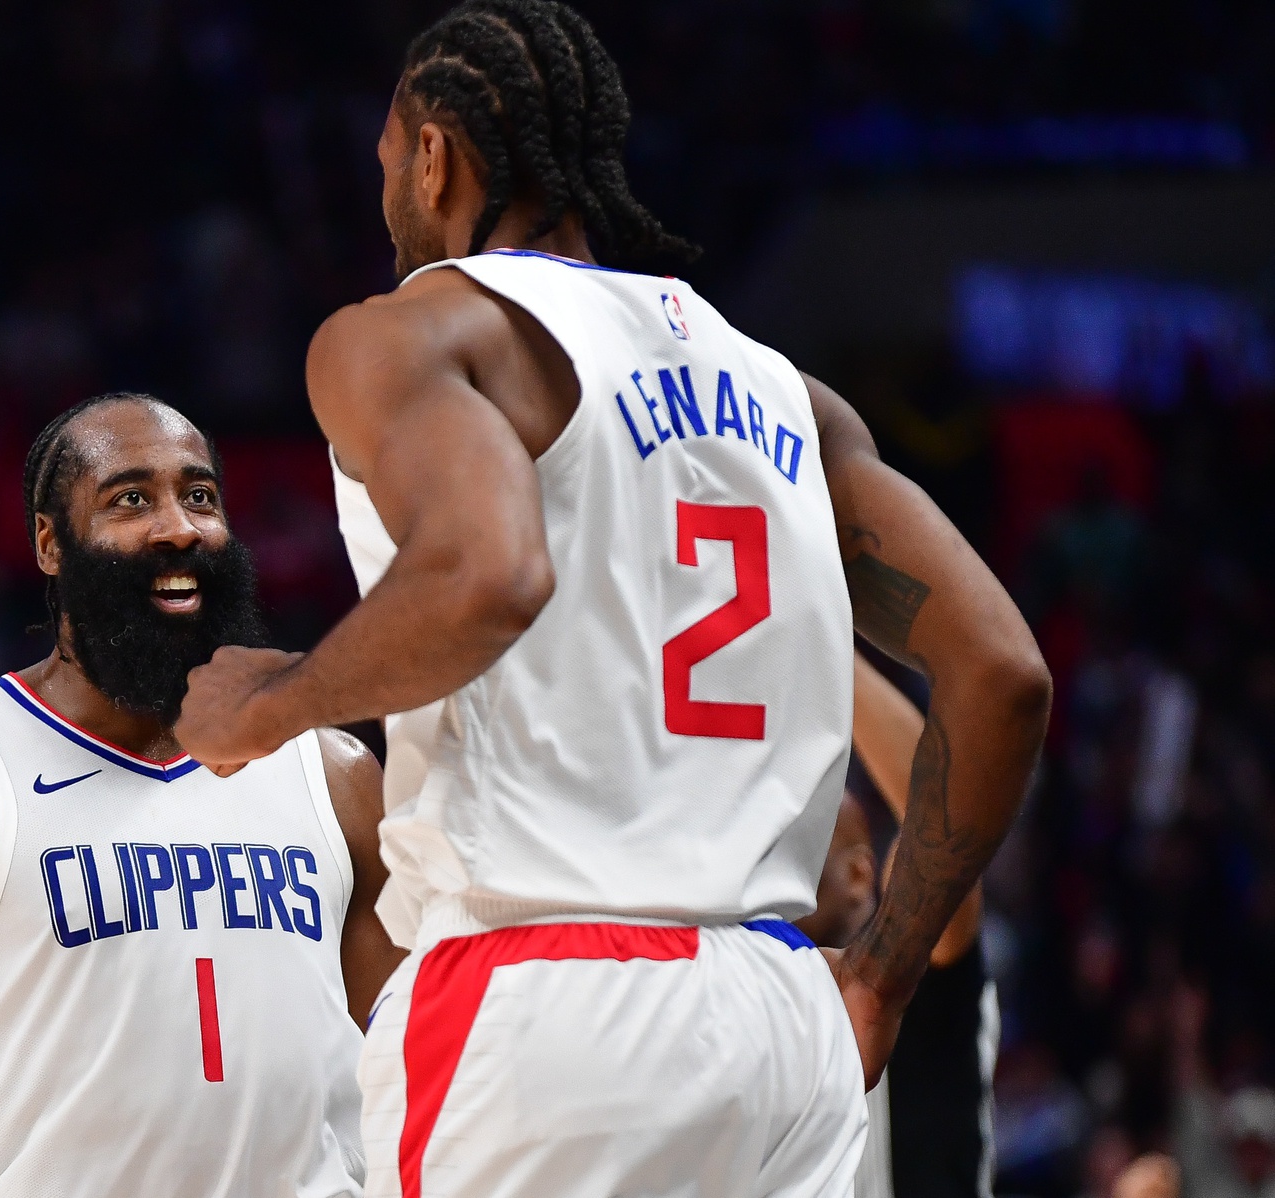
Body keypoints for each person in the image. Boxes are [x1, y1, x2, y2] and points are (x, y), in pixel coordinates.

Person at [174, 2, 1052, 1195]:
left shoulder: (412, 334)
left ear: (435, 156)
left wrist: (267, 703)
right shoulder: (788, 390)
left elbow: (491, 574)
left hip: (548, 1010)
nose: (386, 205)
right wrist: (885, 973)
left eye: (387, 165)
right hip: (781, 1021)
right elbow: (1003, 672)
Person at [0, 393, 404, 1196]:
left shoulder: (333, 773)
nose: (178, 527)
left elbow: (407, 1069)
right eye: (131, 500)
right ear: (50, 543)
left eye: (199, 496)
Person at [799, 654, 998, 1198]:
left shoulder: (920, 962)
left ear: (859, 874)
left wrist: (826, 636)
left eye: (800, 843)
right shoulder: (763, 973)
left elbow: (937, 814)